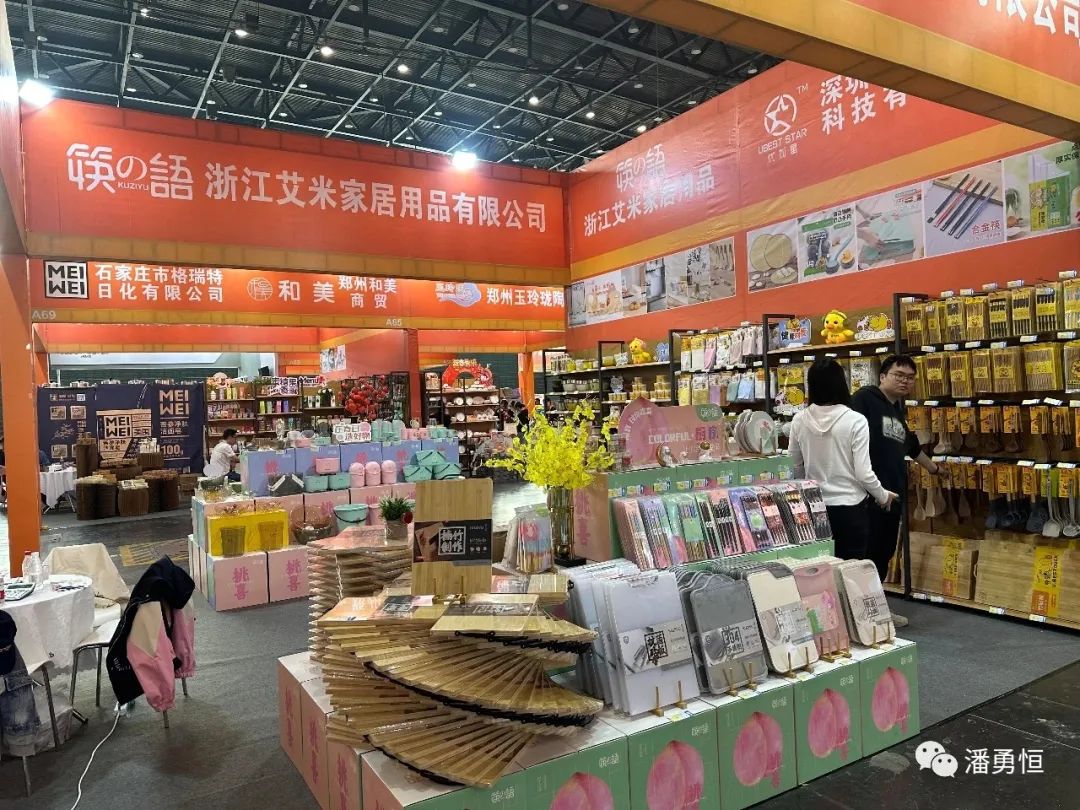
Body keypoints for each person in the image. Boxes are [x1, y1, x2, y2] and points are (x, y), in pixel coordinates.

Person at [788, 359, 897, 561]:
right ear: (841, 383)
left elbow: (794, 466)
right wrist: (882, 496)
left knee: (819, 569)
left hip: (814, 507)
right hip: (850, 509)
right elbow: (863, 473)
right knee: (851, 572)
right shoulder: (855, 420)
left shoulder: (799, 420)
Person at [851, 354, 940, 591]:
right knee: (866, 555)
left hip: (893, 493)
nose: (904, 381)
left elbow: (910, 446)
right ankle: (861, 603)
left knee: (883, 553)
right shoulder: (865, 399)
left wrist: (934, 468)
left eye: (910, 378)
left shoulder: (896, 410)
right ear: (882, 376)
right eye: (898, 375)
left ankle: (875, 601)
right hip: (869, 494)